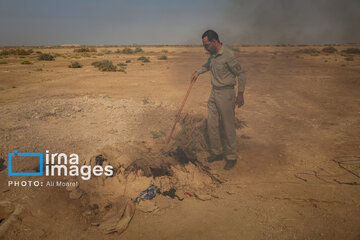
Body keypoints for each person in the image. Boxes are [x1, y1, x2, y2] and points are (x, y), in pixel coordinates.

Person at [190, 30, 246, 170]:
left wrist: (240, 94)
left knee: (228, 125)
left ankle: (232, 157)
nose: (205, 48)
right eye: (204, 45)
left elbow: (241, 74)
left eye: (206, 45)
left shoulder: (228, 55)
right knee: (212, 124)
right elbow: (208, 65)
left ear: (214, 42)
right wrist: (197, 72)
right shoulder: (213, 55)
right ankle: (217, 152)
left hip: (226, 93)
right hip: (214, 93)